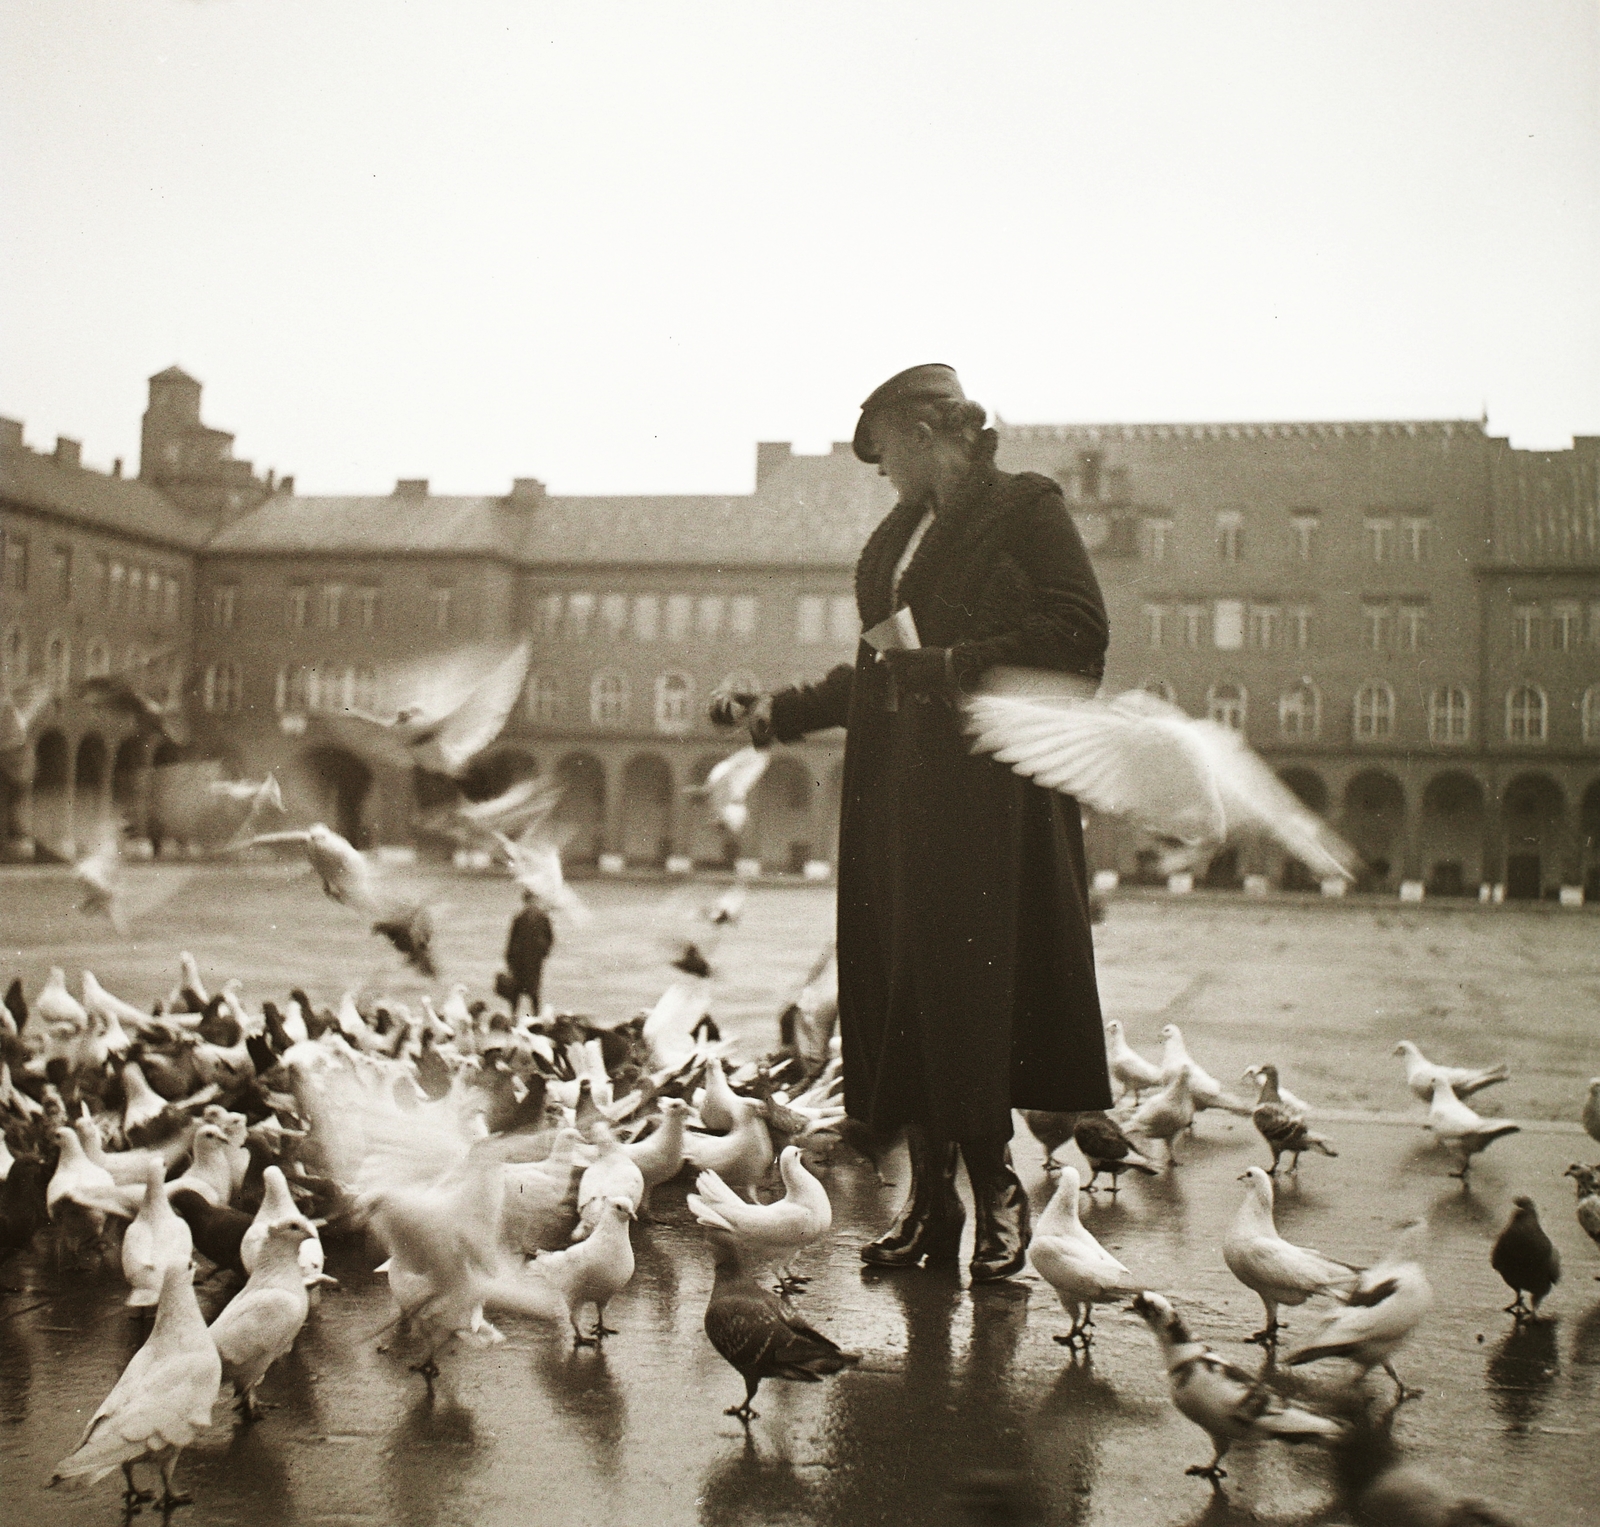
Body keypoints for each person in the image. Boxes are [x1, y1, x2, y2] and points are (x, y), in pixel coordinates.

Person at [711, 364, 1113, 1284]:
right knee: (906, 1001)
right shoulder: (906, 533)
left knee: (969, 999)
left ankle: (997, 1193)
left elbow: (1078, 635)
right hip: (900, 802)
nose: (880, 470)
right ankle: (931, 1205)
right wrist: (774, 710)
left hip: (986, 803)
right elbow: (880, 672)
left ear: (928, 431)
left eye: (885, 450)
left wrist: (947, 667)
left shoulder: (1025, 508)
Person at [498, 888, 554, 1016]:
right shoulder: (539, 917)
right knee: (531, 990)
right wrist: (543, 952)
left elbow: (512, 940)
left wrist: (509, 958)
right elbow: (550, 938)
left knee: (522, 990)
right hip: (531, 960)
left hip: (523, 960)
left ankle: (518, 1015)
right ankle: (532, 1015)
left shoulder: (523, 917)